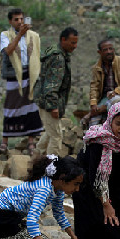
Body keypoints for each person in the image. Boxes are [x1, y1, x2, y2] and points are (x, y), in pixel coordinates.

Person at [73, 102, 120, 239]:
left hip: (115, 185)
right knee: (98, 220)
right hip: (91, 188)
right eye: (118, 124)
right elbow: (95, 177)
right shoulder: (98, 141)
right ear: (110, 120)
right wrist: (105, 203)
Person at [0, 8, 44, 155]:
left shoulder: (33, 36)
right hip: (14, 75)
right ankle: (4, 142)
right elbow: (8, 51)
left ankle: (31, 142)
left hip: (29, 74)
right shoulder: (6, 35)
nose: (20, 22)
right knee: (11, 106)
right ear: (10, 21)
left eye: (21, 19)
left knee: (30, 106)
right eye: (16, 19)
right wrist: (19, 35)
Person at [34, 27, 78, 157]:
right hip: (48, 102)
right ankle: (50, 168)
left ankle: (35, 160)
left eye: (76, 43)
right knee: (56, 136)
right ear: (63, 40)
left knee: (50, 132)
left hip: (44, 100)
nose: (75, 46)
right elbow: (51, 84)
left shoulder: (56, 53)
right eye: (72, 42)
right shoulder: (58, 58)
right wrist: (53, 106)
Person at [86, 39, 120, 127]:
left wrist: (116, 91)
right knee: (94, 123)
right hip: (105, 98)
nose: (109, 52)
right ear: (99, 52)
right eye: (105, 50)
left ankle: (103, 109)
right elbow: (94, 87)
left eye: (110, 49)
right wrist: (93, 103)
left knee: (116, 101)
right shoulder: (97, 67)